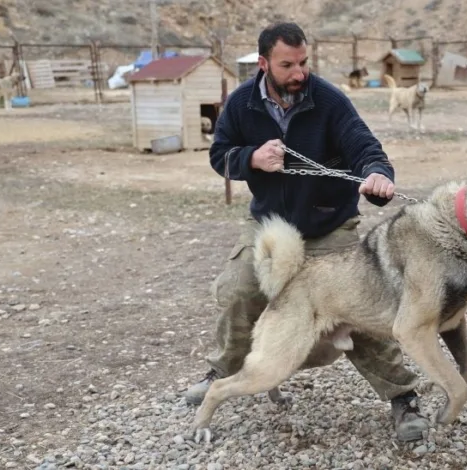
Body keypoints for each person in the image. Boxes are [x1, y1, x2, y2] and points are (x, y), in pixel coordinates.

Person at [183, 22, 431, 442]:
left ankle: (402, 397)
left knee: (360, 306)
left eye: (303, 62)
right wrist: (251, 159)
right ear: (263, 64)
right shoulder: (242, 103)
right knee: (240, 290)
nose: (299, 72)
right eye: (287, 65)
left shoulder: (330, 100)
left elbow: (364, 146)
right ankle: (222, 372)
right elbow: (220, 156)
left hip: (328, 227)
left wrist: (377, 174)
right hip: (269, 225)